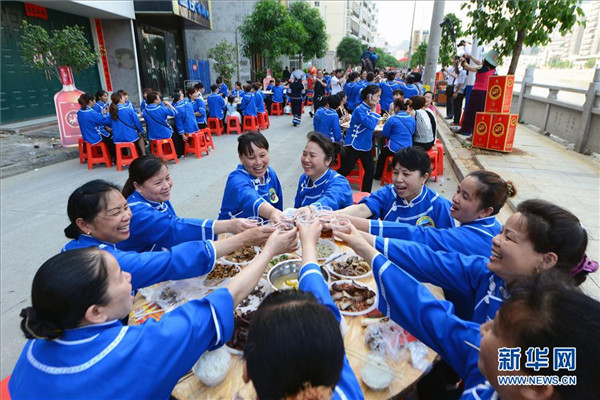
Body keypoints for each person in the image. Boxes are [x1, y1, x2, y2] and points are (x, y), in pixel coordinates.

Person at [9, 226, 298, 399]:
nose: (129, 277)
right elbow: (225, 298)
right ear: (95, 312)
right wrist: (269, 251)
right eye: (119, 276)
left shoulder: (38, 339)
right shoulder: (136, 351)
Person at [334, 224, 600, 400]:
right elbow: (433, 315)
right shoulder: (501, 363)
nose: (481, 328)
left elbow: (429, 244)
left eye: (495, 329)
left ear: (535, 387)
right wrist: (365, 248)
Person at [362, 198, 598, 324]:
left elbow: (425, 239)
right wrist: (362, 242)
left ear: (546, 260)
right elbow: (430, 260)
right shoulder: (490, 272)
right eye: (501, 231)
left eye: (509, 237)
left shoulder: (546, 322)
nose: (495, 240)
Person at [61, 180, 274, 290]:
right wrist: (242, 237)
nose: (127, 216)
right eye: (116, 212)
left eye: (125, 207)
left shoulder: (85, 245)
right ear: (84, 224)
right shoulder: (101, 262)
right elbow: (170, 251)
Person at [244, 220, 363, 399]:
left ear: (246, 373)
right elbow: (327, 313)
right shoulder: (345, 390)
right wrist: (308, 245)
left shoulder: (331, 366)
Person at [117, 155, 254, 252]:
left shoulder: (157, 198)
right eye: (158, 182)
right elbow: (174, 228)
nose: (166, 185)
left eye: (167, 178)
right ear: (138, 186)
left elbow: (176, 223)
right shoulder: (137, 212)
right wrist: (229, 225)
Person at [339, 146, 453, 228]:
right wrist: (328, 217)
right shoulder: (388, 193)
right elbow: (362, 209)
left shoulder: (439, 205)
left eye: (406, 174)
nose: (398, 179)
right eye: (396, 172)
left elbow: (448, 244)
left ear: (423, 177)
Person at [219, 132, 283, 221]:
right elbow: (249, 197)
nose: (259, 162)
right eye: (251, 158)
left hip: (264, 229)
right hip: (235, 233)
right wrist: (272, 212)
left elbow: (276, 202)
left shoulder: (270, 174)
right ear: (241, 158)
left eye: (262, 155)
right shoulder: (236, 179)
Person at [336, 84, 381, 193]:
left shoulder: (368, 109)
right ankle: (330, 185)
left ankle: (366, 195)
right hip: (354, 144)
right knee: (346, 169)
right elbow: (370, 125)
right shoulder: (360, 109)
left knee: (370, 170)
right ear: (369, 96)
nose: (379, 99)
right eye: (377, 96)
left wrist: (374, 109)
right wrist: (374, 108)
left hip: (365, 145)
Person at [294, 133, 353, 210]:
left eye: (312, 155)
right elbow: (296, 209)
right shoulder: (304, 178)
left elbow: (330, 199)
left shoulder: (339, 182)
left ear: (328, 160)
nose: (306, 160)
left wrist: (311, 209)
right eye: (304, 154)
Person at [459, 50, 499, 136]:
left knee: (471, 111)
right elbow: (478, 62)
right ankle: (476, 132)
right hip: (486, 94)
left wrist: (463, 62)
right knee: (480, 112)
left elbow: (469, 68)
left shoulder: (482, 68)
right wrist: (470, 56)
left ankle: (467, 130)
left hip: (477, 92)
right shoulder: (493, 70)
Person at [373, 98, 415, 180]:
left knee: (383, 155)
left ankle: (378, 174)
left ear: (397, 108)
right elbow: (412, 132)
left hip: (394, 148)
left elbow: (385, 133)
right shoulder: (411, 118)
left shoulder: (392, 119)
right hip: (408, 147)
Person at [77, 93, 116, 161]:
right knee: (112, 138)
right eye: (94, 100)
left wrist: (102, 114)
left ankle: (105, 156)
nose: (95, 102)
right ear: (90, 101)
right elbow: (103, 121)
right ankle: (113, 158)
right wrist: (110, 115)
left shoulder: (80, 111)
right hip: (93, 135)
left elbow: (97, 119)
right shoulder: (90, 112)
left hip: (86, 134)